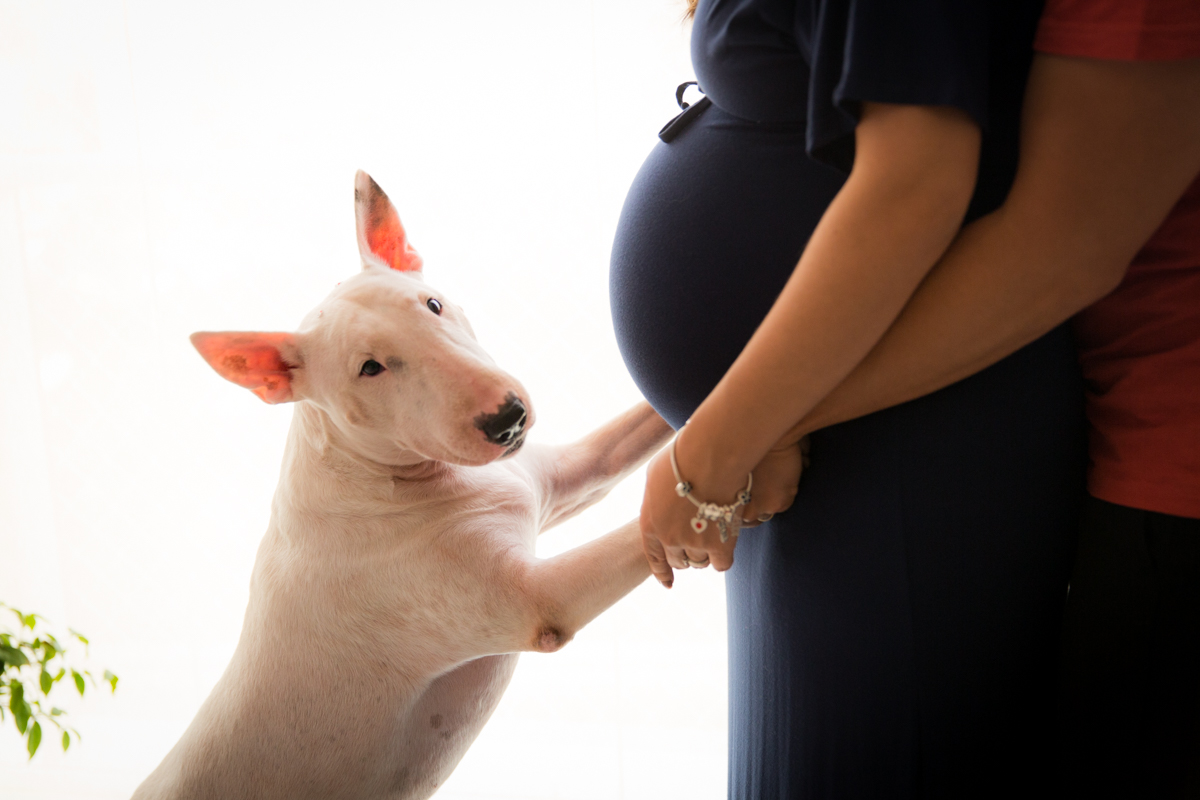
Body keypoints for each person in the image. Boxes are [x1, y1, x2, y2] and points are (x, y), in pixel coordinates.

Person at [615, 0, 1200, 796]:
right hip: (817, 433)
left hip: (913, 437)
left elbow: (1039, 229)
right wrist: (743, 427)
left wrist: (729, 439)